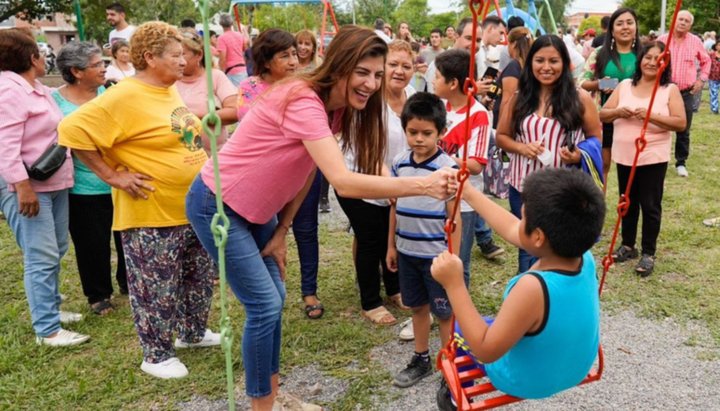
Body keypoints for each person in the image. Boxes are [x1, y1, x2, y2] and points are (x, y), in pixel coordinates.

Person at [184, 26, 455, 410]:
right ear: (340, 64)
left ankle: (272, 397)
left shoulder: (336, 111)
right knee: (264, 304)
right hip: (217, 203)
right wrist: (424, 186)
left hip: (259, 212)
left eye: (377, 75)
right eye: (363, 71)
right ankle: (263, 405)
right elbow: (342, 182)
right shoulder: (303, 100)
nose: (371, 83)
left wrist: (281, 229)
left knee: (273, 298)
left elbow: (309, 169)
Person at [59, 22, 220, 379]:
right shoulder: (124, 95)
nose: (184, 62)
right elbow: (71, 131)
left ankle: (192, 334)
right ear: (149, 57)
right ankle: (156, 354)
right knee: (156, 287)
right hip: (151, 212)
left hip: (190, 207)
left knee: (196, 277)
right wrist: (113, 176)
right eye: (176, 56)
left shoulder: (167, 90)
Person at [434, 168, 604, 407]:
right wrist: (469, 193)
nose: (519, 222)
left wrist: (454, 284)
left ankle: (454, 397)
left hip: (526, 380)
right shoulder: (583, 256)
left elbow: (485, 350)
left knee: (461, 328)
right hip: (576, 368)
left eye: (523, 217)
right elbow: (515, 230)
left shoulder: (532, 288)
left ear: (537, 237)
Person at [0, 29, 88, 346]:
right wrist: (21, 186)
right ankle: (47, 329)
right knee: (41, 254)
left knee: (56, 248)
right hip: (26, 184)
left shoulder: (33, 87)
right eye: (39, 51)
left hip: (51, 178)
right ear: (32, 58)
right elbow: (5, 145)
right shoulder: (9, 91)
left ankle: (50, 306)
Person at [496, 35, 602, 273]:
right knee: (528, 245)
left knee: (560, 247)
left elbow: (596, 138)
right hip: (522, 186)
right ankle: (528, 295)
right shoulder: (519, 98)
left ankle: (553, 297)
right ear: (530, 63)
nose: (546, 67)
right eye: (539, 60)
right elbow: (501, 136)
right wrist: (523, 148)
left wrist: (577, 156)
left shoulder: (579, 98)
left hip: (563, 191)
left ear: (564, 63)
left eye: (553, 61)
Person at [336, 40, 419, 327]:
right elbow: (369, 151)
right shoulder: (368, 100)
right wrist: (392, 186)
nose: (399, 71)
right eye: (392, 65)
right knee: (371, 238)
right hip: (359, 179)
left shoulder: (414, 97)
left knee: (392, 236)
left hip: (394, 182)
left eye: (406, 66)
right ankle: (370, 301)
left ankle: (395, 289)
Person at [387, 92, 461, 388]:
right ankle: (421, 358)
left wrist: (451, 256)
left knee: (443, 312)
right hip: (406, 252)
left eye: (427, 133)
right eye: (412, 132)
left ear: (441, 132)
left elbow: (454, 216)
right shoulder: (399, 163)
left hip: (437, 258)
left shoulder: (448, 168)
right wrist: (391, 245)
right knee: (417, 307)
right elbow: (394, 206)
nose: (418, 139)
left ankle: (449, 363)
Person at [52, 41, 128, 315]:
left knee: (125, 238)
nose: (104, 68)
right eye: (97, 64)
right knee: (91, 244)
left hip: (121, 181)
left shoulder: (111, 93)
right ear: (76, 71)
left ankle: (127, 283)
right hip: (81, 187)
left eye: (103, 63)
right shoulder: (55, 101)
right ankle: (98, 295)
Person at [599, 42, 686, 276]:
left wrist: (651, 117)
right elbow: (603, 114)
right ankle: (628, 245)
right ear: (641, 59)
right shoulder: (626, 85)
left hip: (652, 156)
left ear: (665, 64)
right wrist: (619, 111)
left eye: (658, 59)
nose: (652, 62)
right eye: (648, 57)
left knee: (650, 204)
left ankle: (649, 252)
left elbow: (680, 122)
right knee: (626, 201)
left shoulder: (669, 90)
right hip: (625, 155)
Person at [433, 49, 498, 279]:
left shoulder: (478, 115)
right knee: (437, 257)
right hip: (436, 196)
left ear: (452, 83)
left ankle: (457, 314)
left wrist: (440, 155)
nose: (433, 80)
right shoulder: (439, 107)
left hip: (464, 202)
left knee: (459, 262)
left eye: (437, 76)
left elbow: (476, 165)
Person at [581, 7, 641, 187]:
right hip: (604, 118)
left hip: (635, 118)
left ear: (636, 27)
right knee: (602, 165)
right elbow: (581, 82)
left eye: (629, 23)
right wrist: (602, 84)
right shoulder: (599, 53)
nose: (625, 27)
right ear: (612, 29)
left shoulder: (644, 54)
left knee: (632, 168)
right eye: (620, 23)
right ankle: (599, 209)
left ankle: (628, 212)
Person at [657, 10, 711, 178]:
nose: (682, 22)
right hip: (664, 90)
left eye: (686, 21)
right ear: (674, 20)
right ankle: (658, 160)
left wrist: (701, 80)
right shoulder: (662, 40)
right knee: (659, 125)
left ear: (690, 25)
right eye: (680, 19)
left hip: (685, 92)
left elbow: (706, 61)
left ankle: (681, 162)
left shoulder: (695, 41)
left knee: (683, 128)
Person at [176, 30, 237, 154]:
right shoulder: (169, 80)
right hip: (180, 156)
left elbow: (235, 111)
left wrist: (191, 118)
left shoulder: (215, 77)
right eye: (174, 55)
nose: (179, 60)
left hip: (214, 156)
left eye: (182, 54)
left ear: (199, 55)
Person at [217, 13, 250, 86]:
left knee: (235, 95)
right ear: (231, 23)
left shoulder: (221, 38)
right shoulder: (239, 35)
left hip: (231, 71)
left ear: (221, 24)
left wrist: (221, 72)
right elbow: (245, 48)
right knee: (244, 94)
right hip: (243, 68)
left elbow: (223, 57)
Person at [710, 40, 720, 114]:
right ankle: (714, 109)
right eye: (719, 45)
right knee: (714, 93)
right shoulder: (711, 55)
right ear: (716, 46)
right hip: (713, 77)